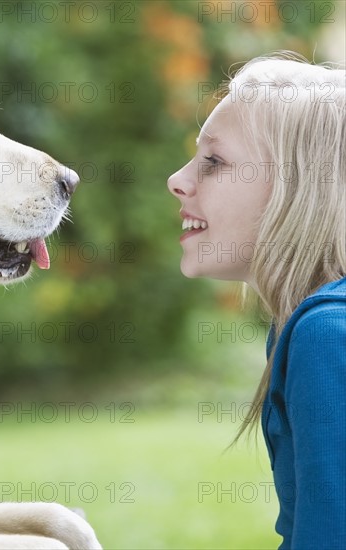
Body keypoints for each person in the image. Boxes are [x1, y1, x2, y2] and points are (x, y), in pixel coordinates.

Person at [167, 52, 346, 549]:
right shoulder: (303, 324)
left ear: (300, 186)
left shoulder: (327, 332)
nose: (177, 180)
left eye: (215, 161)